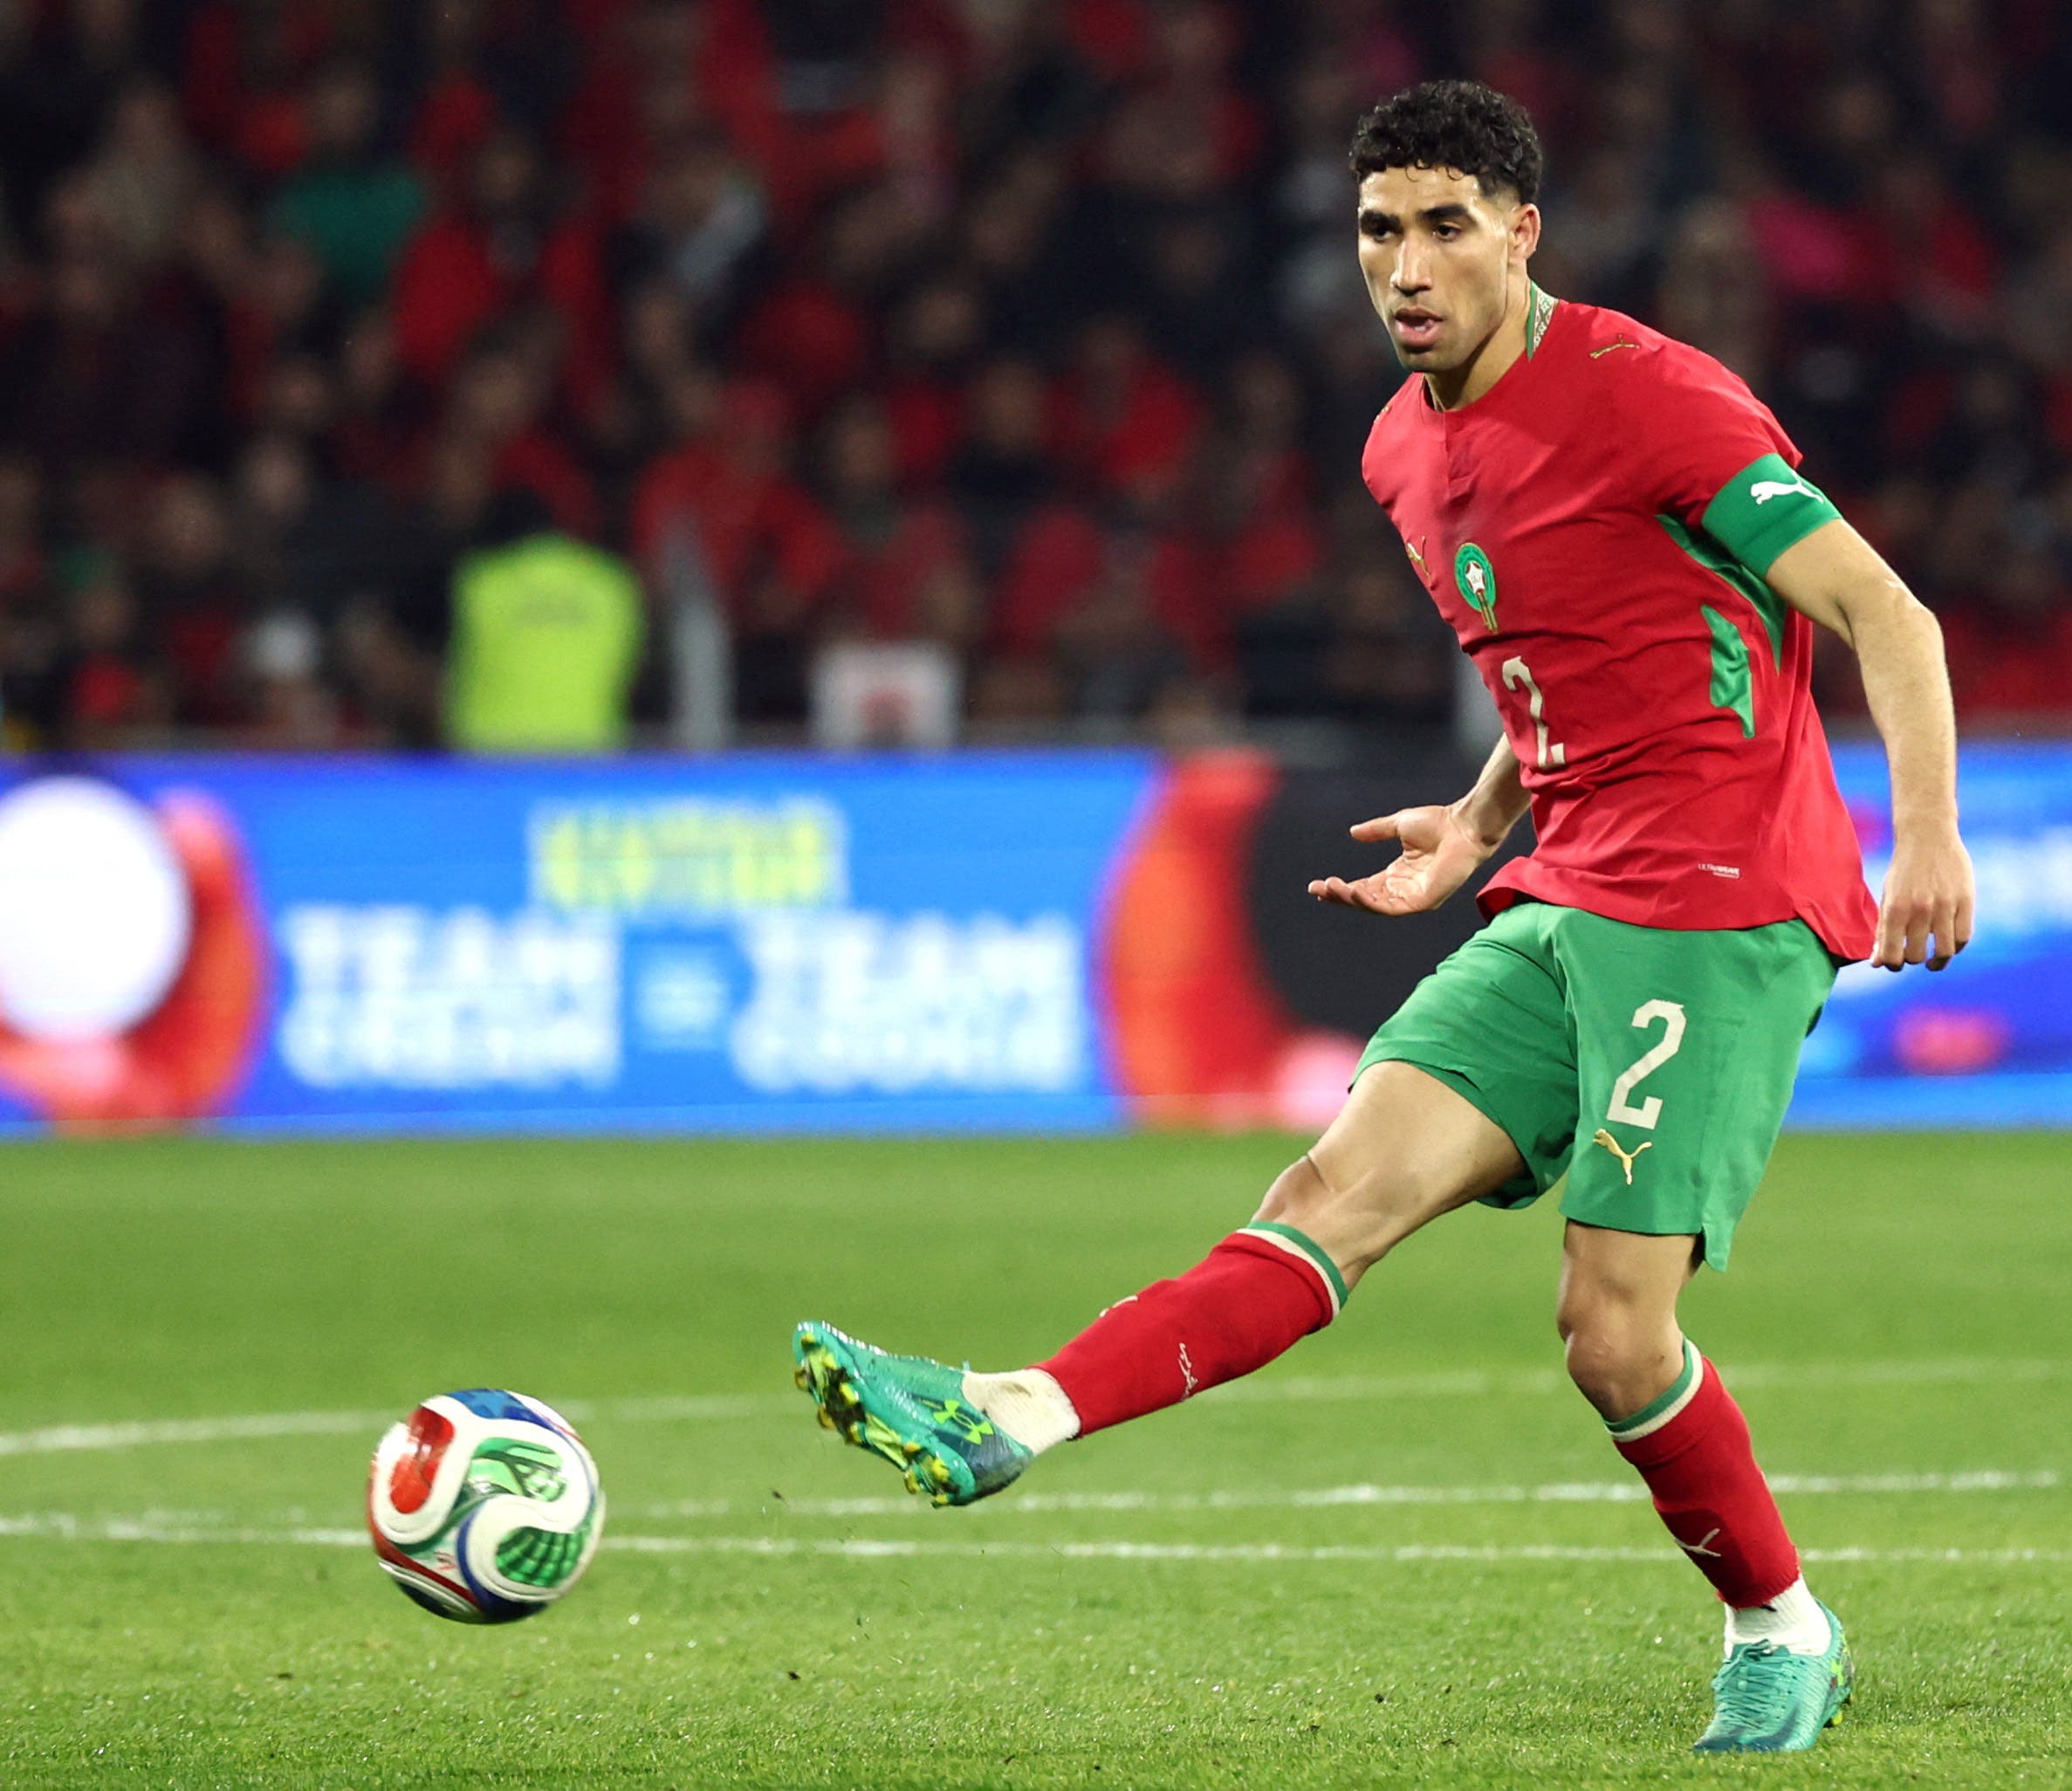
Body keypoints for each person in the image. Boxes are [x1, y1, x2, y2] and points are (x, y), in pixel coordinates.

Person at [790, 80, 1975, 1756]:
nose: (1405, 267)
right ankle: (1010, 1414)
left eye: (1442, 227)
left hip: (1715, 898)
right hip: (1565, 883)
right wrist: (1480, 822)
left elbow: (1884, 610)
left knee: (1609, 1330)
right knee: (1326, 1192)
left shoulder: (1655, 400)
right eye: (1376, 232)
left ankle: (1779, 1626)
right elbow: (1577, 652)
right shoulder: (1402, 450)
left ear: (1521, 233)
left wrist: (1923, 836)